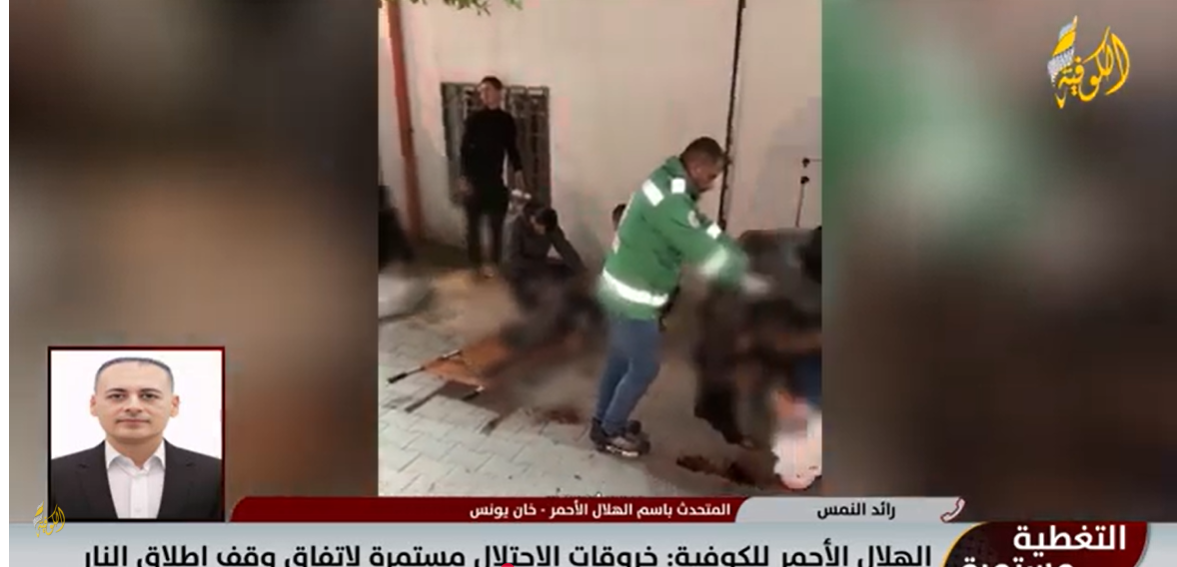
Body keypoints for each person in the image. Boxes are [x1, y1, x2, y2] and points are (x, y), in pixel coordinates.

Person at [591, 137, 769, 457]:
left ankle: (603, 422)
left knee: (620, 359)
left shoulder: (670, 184)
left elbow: (701, 227)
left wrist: (735, 251)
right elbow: (700, 250)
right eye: (711, 176)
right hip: (632, 300)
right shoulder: (670, 202)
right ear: (697, 166)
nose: (712, 184)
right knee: (644, 367)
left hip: (619, 288)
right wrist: (744, 279)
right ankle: (610, 431)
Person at [49, 357, 223, 521]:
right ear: (93, 404)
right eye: (117, 396)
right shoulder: (54, 477)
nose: (133, 407)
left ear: (174, 405)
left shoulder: (216, 476)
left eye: (148, 396)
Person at [458, 76, 525, 279]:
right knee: (473, 226)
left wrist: (518, 171)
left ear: (498, 92)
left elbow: (512, 148)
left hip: (495, 180)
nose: (483, 95)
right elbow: (464, 150)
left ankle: (494, 264)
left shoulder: (506, 120)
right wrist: (464, 177)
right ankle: (476, 265)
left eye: (487, 90)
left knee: (496, 224)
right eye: (481, 91)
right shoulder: (474, 119)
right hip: (474, 179)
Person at [504, 202, 585, 311]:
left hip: (540, 263)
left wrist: (580, 268)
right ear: (533, 220)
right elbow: (514, 258)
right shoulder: (518, 226)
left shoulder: (549, 226)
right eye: (540, 229)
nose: (543, 233)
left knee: (566, 270)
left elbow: (564, 248)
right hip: (521, 267)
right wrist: (539, 267)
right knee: (527, 295)